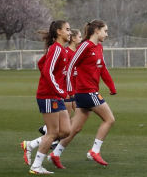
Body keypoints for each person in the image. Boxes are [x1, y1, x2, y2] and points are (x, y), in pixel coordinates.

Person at [48, 19, 116, 168]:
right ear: (96, 30)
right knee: (109, 119)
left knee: (75, 128)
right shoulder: (85, 45)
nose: (107, 34)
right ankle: (94, 151)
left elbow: (103, 68)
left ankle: (55, 153)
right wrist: (69, 89)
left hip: (87, 92)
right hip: (86, 92)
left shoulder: (99, 47)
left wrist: (112, 87)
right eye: (105, 31)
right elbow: (71, 65)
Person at [21, 20, 72, 174]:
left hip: (54, 95)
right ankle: (36, 166)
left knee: (66, 131)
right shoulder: (56, 49)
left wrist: (60, 89)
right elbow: (47, 71)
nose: (70, 32)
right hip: (48, 96)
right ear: (58, 31)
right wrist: (59, 90)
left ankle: (30, 145)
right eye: (67, 29)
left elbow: (41, 63)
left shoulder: (59, 49)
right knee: (52, 133)